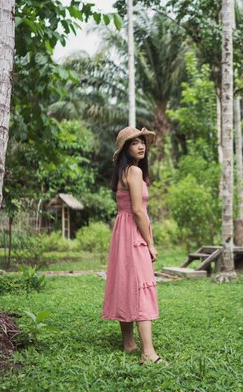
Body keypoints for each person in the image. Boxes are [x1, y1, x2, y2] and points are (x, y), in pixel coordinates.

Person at [102, 126, 163, 364]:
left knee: (126, 283)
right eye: (134, 142)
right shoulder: (135, 172)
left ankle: (129, 344)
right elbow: (138, 210)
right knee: (142, 286)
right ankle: (148, 353)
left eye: (142, 142)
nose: (141, 146)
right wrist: (150, 243)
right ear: (125, 149)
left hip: (121, 232)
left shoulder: (123, 172)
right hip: (133, 232)